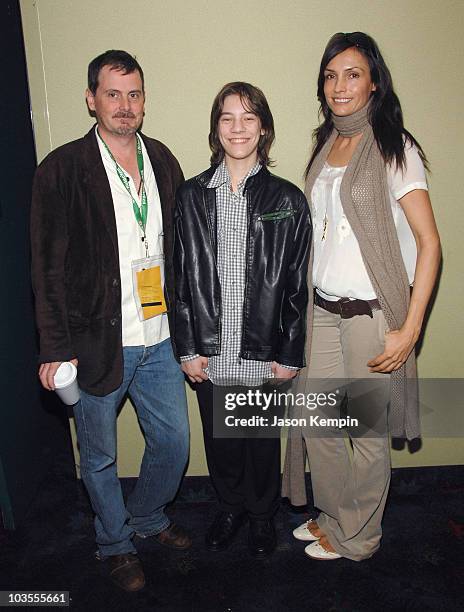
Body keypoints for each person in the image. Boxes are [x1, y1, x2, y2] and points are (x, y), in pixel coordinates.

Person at [30, 50, 191, 591]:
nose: (125, 106)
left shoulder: (163, 160)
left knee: (173, 443)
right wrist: (54, 347)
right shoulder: (61, 169)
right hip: (96, 340)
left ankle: (144, 518)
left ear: (145, 100)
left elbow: (183, 251)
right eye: (113, 94)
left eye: (135, 94)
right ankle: (115, 542)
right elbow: (46, 269)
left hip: (161, 336)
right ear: (91, 99)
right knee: (99, 456)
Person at [282, 32, 441, 561]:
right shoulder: (326, 143)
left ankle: (361, 537)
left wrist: (411, 327)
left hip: (371, 315)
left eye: (352, 74)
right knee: (319, 425)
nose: (339, 86)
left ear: (374, 81)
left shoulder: (396, 147)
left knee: (366, 435)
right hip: (321, 312)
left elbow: (429, 243)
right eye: (330, 75)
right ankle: (337, 516)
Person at [174, 82, 311, 558]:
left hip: (261, 350)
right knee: (222, 443)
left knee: (258, 442)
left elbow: (296, 284)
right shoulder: (190, 197)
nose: (238, 128)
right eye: (228, 118)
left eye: (248, 118)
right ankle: (230, 507)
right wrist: (188, 349)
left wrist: (289, 352)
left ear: (264, 129)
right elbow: (181, 281)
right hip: (211, 352)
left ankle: (260, 516)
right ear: (216, 128)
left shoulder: (287, 199)